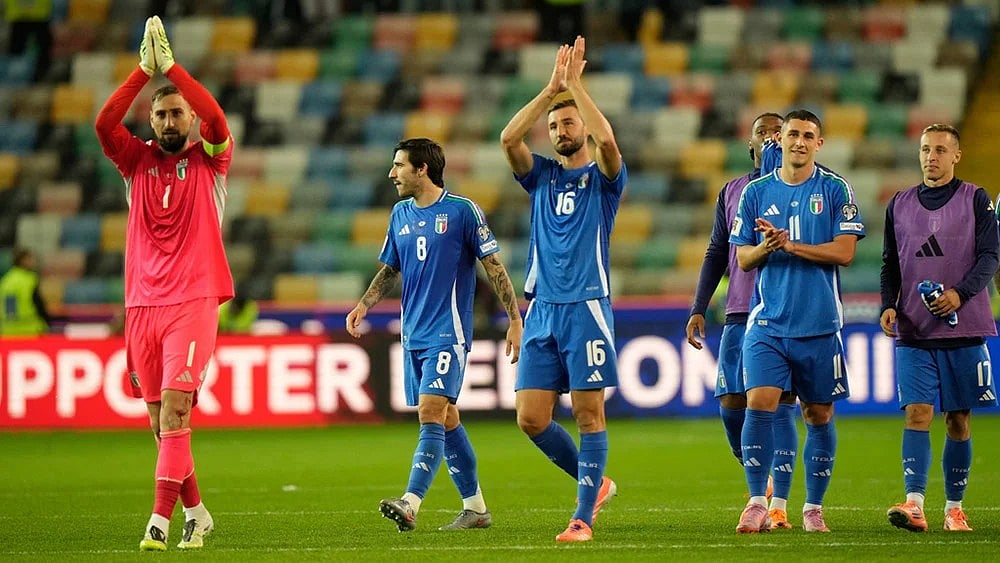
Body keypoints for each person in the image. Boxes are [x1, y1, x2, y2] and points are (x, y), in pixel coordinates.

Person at [95, 16, 234, 551]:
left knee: (177, 409)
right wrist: (142, 73)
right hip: (142, 306)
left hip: (193, 300)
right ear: (150, 120)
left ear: (191, 120)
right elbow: (105, 126)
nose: (169, 119)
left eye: (178, 111)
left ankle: (158, 521)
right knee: (161, 424)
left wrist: (171, 68)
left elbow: (219, 116)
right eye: (160, 112)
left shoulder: (212, 162)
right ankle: (197, 512)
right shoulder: (135, 163)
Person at [346, 137, 523, 533]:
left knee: (430, 412)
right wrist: (365, 304)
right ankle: (475, 508)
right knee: (446, 418)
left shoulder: (462, 211)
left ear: (421, 168)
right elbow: (391, 268)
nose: (392, 174)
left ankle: (410, 502)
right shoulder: (399, 214)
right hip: (414, 334)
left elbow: (493, 265)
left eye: (399, 166)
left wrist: (515, 319)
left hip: (449, 331)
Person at [499, 36, 623, 543]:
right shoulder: (542, 177)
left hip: (587, 307)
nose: (558, 130)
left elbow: (610, 143)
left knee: (589, 415)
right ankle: (597, 484)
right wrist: (550, 90)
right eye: (553, 125)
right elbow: (508, 139)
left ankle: (582, 519)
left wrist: (576, 88)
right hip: (543, 309)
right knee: (530, 418)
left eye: (567, 122)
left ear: (583, 130)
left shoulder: (604, 179)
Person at [730, 109, 865, 534]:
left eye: (808, 135)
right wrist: (769, 246)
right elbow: (743, 259)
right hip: (768, 323)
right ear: (780, 141)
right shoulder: (756, 192)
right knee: (760, 403)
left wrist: (792, 245)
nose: (799, 142)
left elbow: (844, 252)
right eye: (792, 134)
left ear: (818, 144)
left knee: (818, 414)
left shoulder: (836, 189)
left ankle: (812, 507)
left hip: (820, 325)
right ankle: (757, 502)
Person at [880, 124, 998, 533]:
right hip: (913, 329)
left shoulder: (976, 200)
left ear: (956, 156)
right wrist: (887, 305)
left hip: (964, 327)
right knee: (916, 412)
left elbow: (990, 257)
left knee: (958, 421)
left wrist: (960, 294)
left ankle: (954, 507)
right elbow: (889, 264)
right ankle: (914, 503)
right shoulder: (899, 204)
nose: (932, 156)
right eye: (926, 149)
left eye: (941, 150)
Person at [686, 112, 801, 530]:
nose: (770, 138)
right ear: (749, 145)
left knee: (780, 406)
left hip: (782, 311)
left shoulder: (803, 185)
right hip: (739, 309)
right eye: (762, 133)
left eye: (778, 131)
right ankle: (762, 476)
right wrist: (699, 305)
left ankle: (779, 505)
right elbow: (718, 251)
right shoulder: (733, 191)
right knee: (732, 405)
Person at [0, 247, 50, 336]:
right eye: (30, 259)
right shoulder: (30, 279)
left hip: (8, 330)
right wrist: (47, 321)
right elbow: (38, 302)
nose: (33, 262)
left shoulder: (6, 280)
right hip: (29, 328)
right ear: (23, 260)